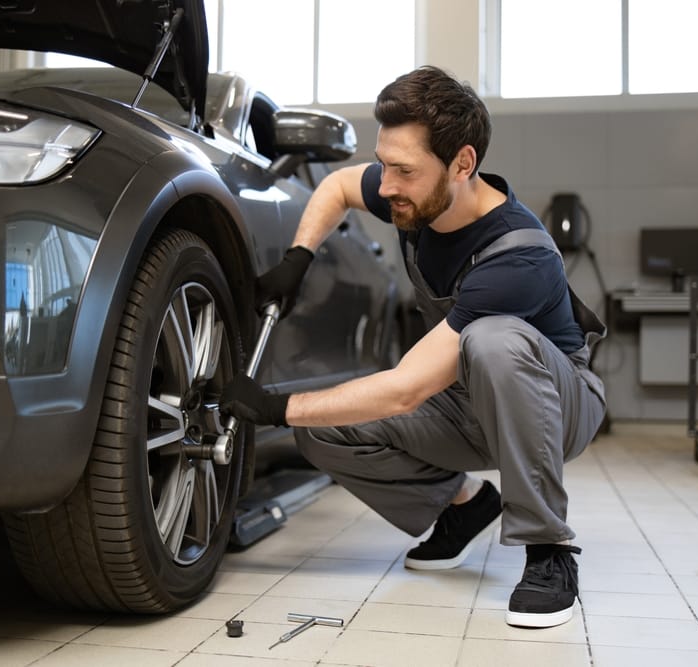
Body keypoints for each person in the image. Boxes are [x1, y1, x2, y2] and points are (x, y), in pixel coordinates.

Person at [221, 65, 606, 629]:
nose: (388, 184)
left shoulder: (520, 256)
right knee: (320, 427)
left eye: (403, 170)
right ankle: (464, 505)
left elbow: (405, 389)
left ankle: (549, 550)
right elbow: (336, 186)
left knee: (493, 339)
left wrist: (273, 408)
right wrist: (298, 260)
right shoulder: (413, 195)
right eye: (385, 164)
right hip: (465, 401)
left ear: (462, 164)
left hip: (557, 402)